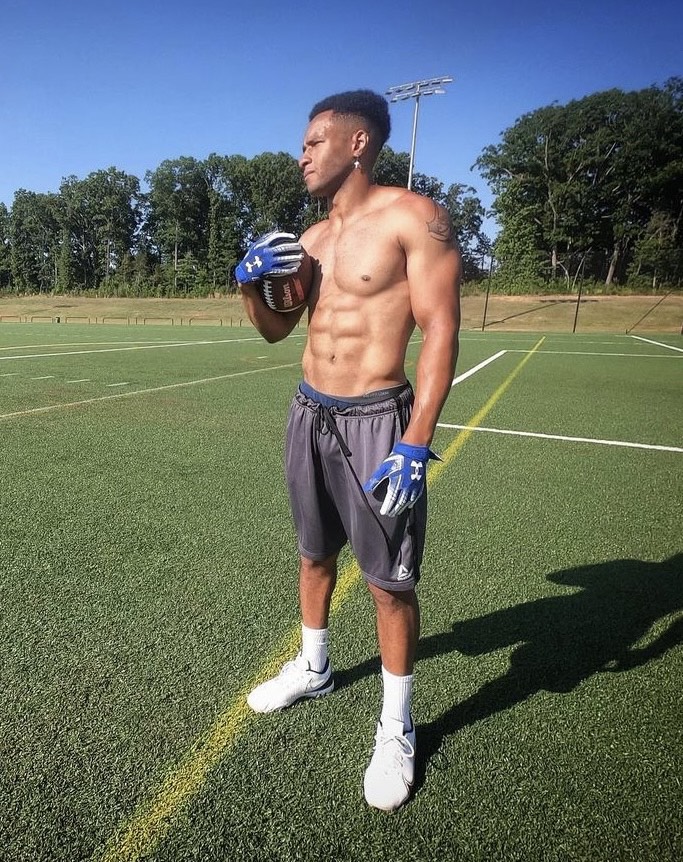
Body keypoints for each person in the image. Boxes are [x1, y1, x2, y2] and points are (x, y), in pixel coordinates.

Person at [236, 89, 461, 811]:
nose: (301, 154)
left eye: (313, 142)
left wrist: (416, 439)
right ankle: (314, 666)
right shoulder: (310, 239)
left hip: (377, 423)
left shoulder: (413, 217)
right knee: (312, 556)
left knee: (388, 583)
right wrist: (250, 285)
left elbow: (440, 330)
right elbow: (276, 330)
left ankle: (397, 726)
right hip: (310, 411)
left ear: (357, 143)